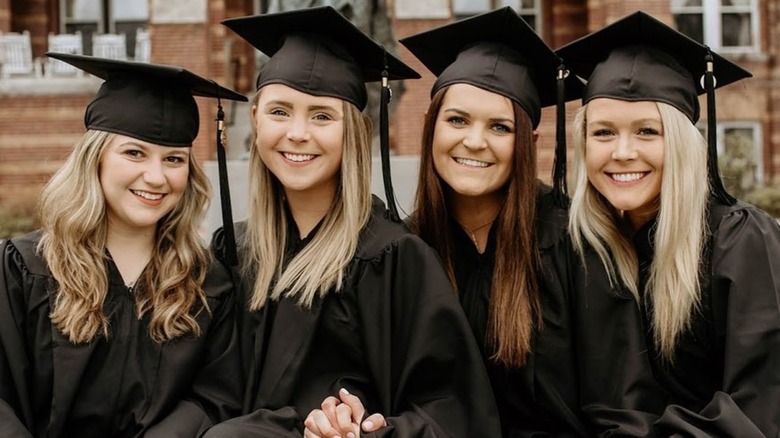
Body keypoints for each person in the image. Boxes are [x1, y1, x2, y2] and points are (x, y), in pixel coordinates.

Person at [204, 6, 501, 437]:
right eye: (280, 111)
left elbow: (453, 411)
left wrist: (369, 433)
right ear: (255, 120)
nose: (298, 133)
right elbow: (210, 394)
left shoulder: (394, 258)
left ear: (355, 132)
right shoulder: (234, 252)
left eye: (322, 115)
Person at [306, 7, 593, 436]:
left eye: (500, 127)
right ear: (430, 127)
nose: (473, 141)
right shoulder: (398, 253)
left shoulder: (577, 246)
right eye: (457, 120)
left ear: (529, 143)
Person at [556, 11, 780, 436]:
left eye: (647, 131)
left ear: (681, 143)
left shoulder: (741, 241)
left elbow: (762, 405)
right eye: (603, 133)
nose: (622, 152)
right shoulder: (585, 249)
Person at [0, 54, 247, 438]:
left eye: (174, 159)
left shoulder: (209, 284)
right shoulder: (25, 269)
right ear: (95, 159)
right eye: (134, 153)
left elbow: (215, 397)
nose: (156, 176)